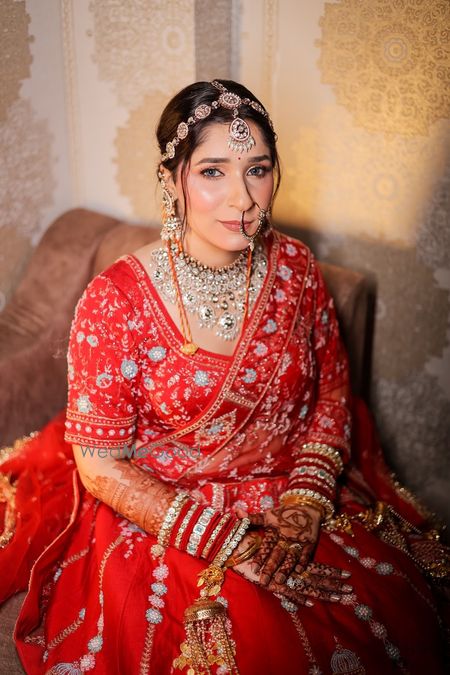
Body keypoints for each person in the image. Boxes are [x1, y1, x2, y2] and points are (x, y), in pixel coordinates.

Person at [0, 79, 448, 675]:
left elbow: (333, 393)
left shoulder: (296, 269)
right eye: (213, 172)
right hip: (168, 509)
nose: (243, 199)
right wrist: (230, 544)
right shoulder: (115, 302)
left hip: (291, 490)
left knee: (388, 622)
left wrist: (305, 503)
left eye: (257, 169)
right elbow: (102, 465)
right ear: (171, 180)